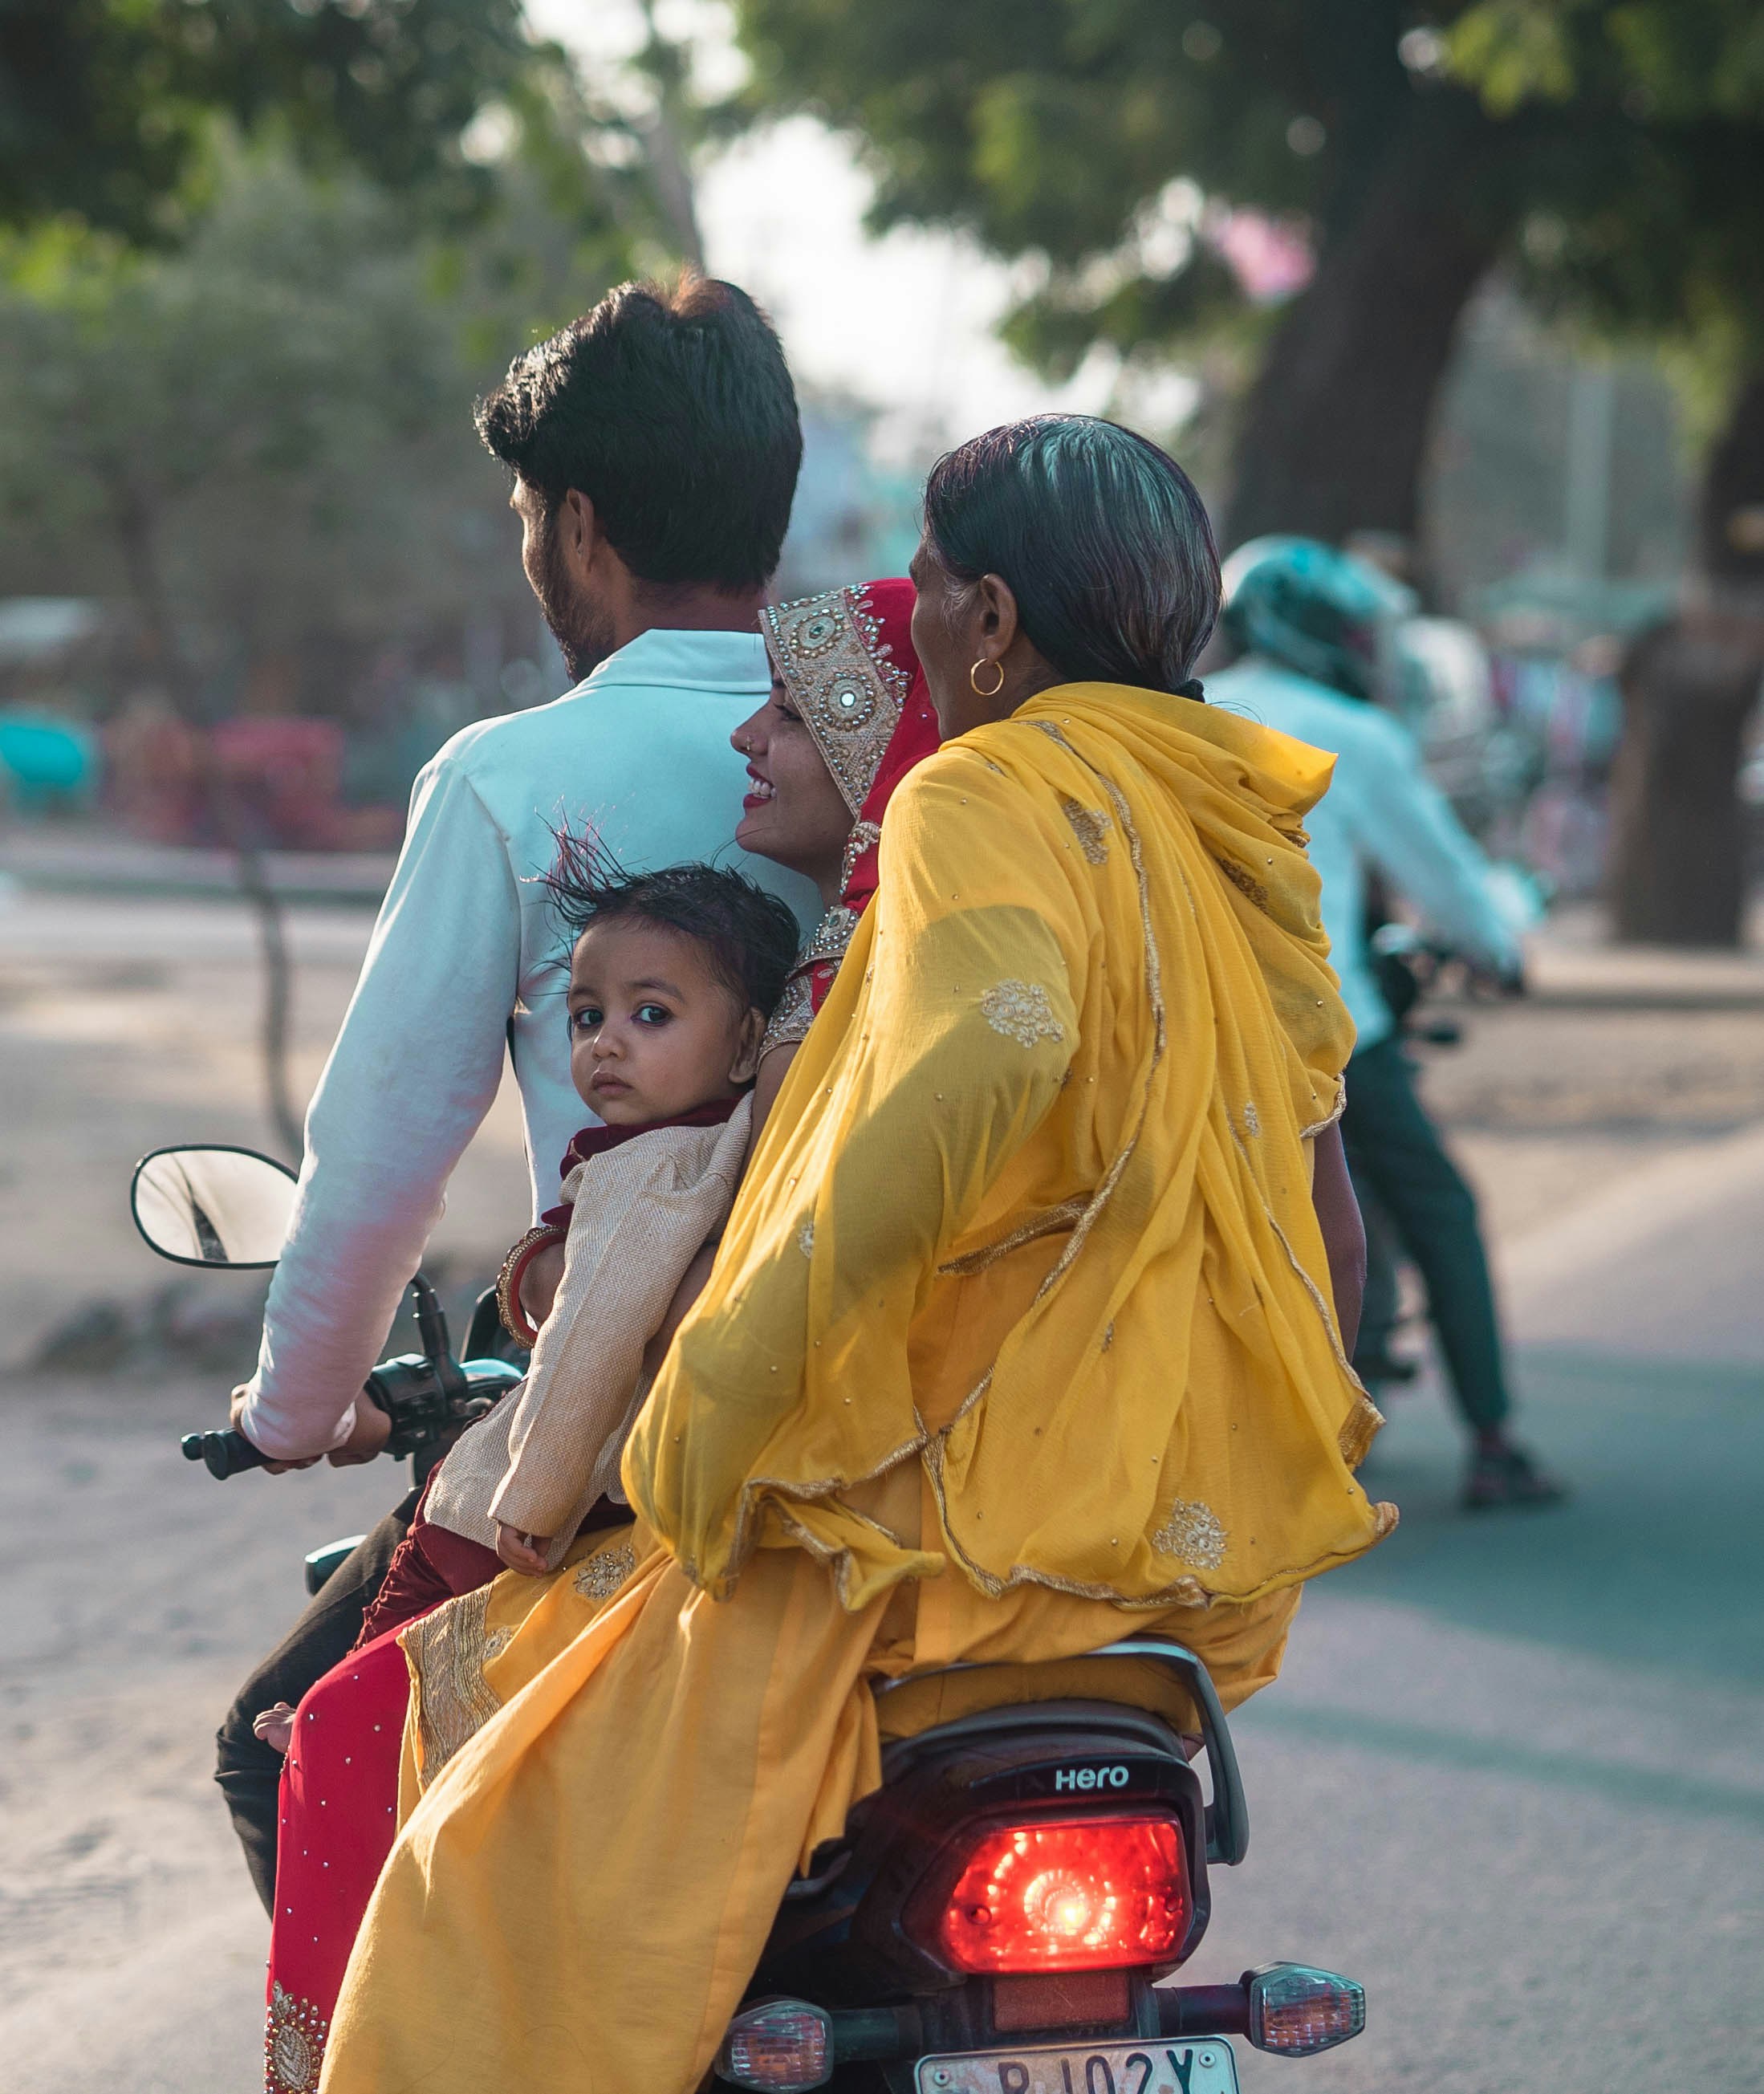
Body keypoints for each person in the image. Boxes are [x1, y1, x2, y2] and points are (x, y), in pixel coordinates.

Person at [318, 420, 1395, 2094]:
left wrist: (725, 1388)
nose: (927, 612)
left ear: (990, 620)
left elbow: (974, 1078)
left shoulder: (982, 787)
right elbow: (1323, 1200)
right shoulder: (1231, 822)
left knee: (475, 1828)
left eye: (933, 582)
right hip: (1183, 1574)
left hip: (940, 1546)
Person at [256, 581, 935, 2094]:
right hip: (851, 1501)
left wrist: (319, 1419)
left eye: (792, 717)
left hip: (671, 1508)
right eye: (586, 1019)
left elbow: (398, 1180)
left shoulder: (818, 1003)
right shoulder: (876, 965)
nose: (745, 745)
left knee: (330, 1731)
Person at [213, 273, 818, 1913]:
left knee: (279, 1748)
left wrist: (293, 1409)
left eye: (529, 519)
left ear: (581, 524)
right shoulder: (898, 743)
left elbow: (381, 1151)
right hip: (890, 1396)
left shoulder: (506, 775)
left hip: (625, 1408)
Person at [1207, 536, 1564, 1510]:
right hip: (1325, 1032)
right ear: (1318, 632)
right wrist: (1498, 950)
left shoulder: (1185, 714)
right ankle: (1491, 1439)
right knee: (1439, 1208)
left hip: (1192, 1024)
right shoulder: (1349, 734)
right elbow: (1444, 876)